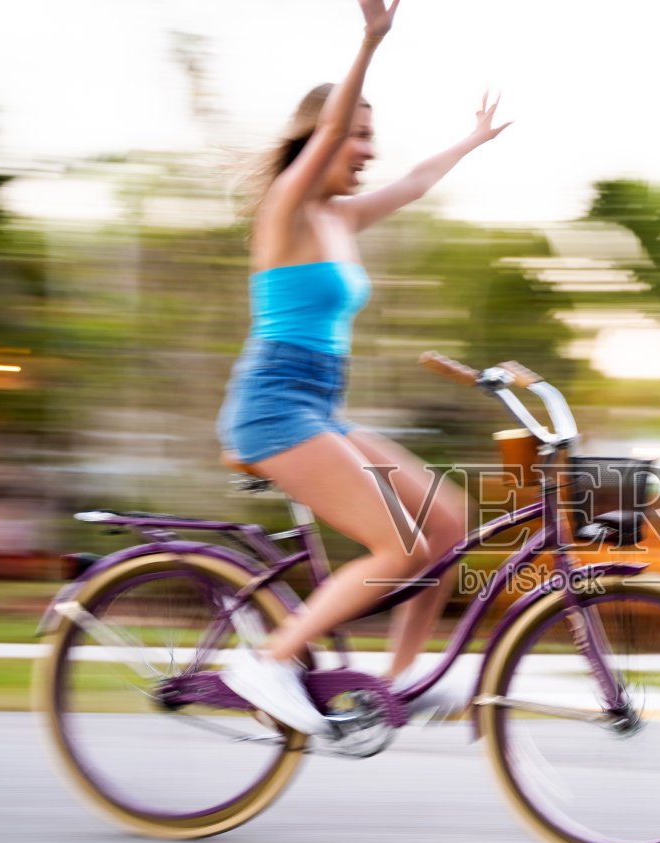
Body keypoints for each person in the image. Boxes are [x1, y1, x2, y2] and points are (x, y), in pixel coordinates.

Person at [216, 0, 510, 736]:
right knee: (398, 543)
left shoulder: (341, 219)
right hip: (274, 406)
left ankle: (399, 678)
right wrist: (370, 42)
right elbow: (325, 144)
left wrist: (470, 142)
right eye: (357, 137)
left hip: (320, 406)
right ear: (322, 138)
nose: (368, 151)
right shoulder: (287, 205)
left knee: (447, 525)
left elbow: (414, 180)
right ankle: (269, 660)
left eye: (372, 137)